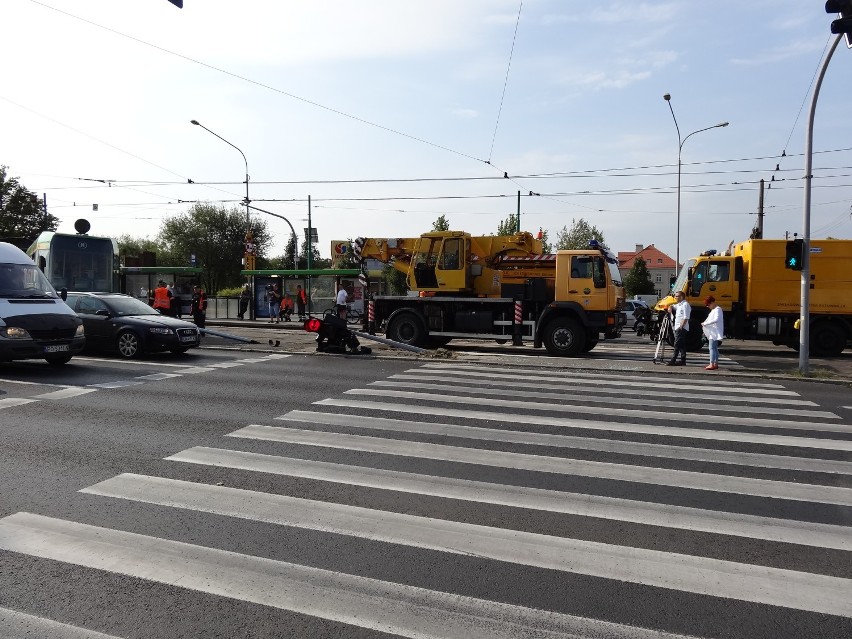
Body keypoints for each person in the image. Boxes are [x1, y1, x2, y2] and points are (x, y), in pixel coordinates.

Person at [666, 290, 691, 366]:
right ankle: (683, 361)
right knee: (681, 344)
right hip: (677, 327)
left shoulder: (685, 305)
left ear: (682, 297)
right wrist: (670, 307)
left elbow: (686, 317)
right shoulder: (679, 304)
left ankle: (673, 360)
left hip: (682, 327)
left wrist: (681, 326)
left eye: (677, 296)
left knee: (676, 344)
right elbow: (673, 306)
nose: (675, 297)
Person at [701, 295, 724, 371]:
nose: (708, 306)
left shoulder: (717, 309)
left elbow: (716, 319)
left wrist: (705, 324)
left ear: (712, 302)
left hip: (714, 332)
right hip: (713, 331)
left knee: (712, 348)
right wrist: (705, 323)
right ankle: (715, 363)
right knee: (714, 348)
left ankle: (712, 363)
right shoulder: (715, 310)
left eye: (708, 304)